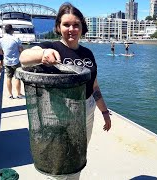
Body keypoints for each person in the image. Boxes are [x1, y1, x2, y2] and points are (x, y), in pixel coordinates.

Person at [20, 3, 111, 178]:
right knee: (59, 160)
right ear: (58, 27)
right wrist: (42, 54)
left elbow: (94, 86)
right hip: (59, 114)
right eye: (66, 24)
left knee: (77, 154)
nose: (72, 29)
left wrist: (105, 112)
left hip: (87, 111)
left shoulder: (88, 54)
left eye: (76, 25)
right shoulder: (51, 47)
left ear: (82, 27)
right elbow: (23, 58)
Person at [0, 24, 24, 99]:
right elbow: (21, 50)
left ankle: (10, 94)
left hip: (7, 61)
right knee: (17, 78)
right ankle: (19, 94)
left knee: (9, 78)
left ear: (5, 31)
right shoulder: (16, 39)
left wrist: (5, 54)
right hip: (16, 61)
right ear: (12, 30)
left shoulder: (1, 40)